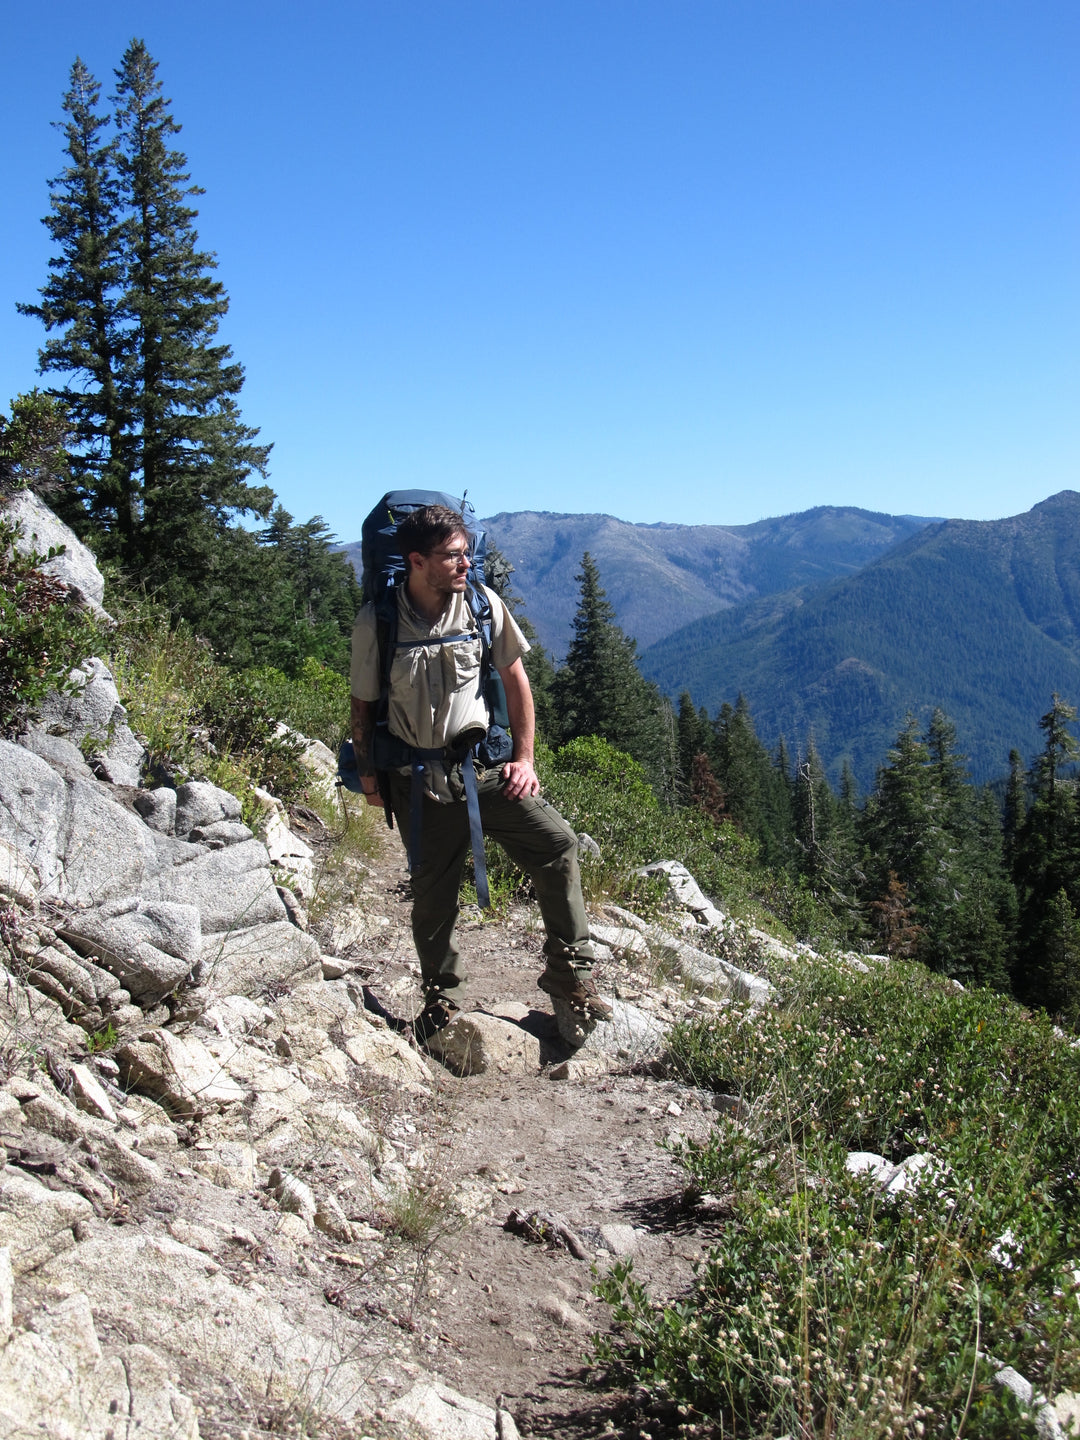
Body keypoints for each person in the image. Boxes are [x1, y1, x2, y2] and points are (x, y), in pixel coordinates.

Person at [350, 503, 612, 1040]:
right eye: (452, 556)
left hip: (485, 769)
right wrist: (370, 778)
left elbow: (516, 681)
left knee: (558, 844)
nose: (464, 564)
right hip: (416, 779)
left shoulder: (481, 605)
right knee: (434, 894)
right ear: (417, 560)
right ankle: (442, 1001)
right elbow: (362, 705)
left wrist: (525, 758)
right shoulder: (379, 620)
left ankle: (570, 979)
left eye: (467, 553)